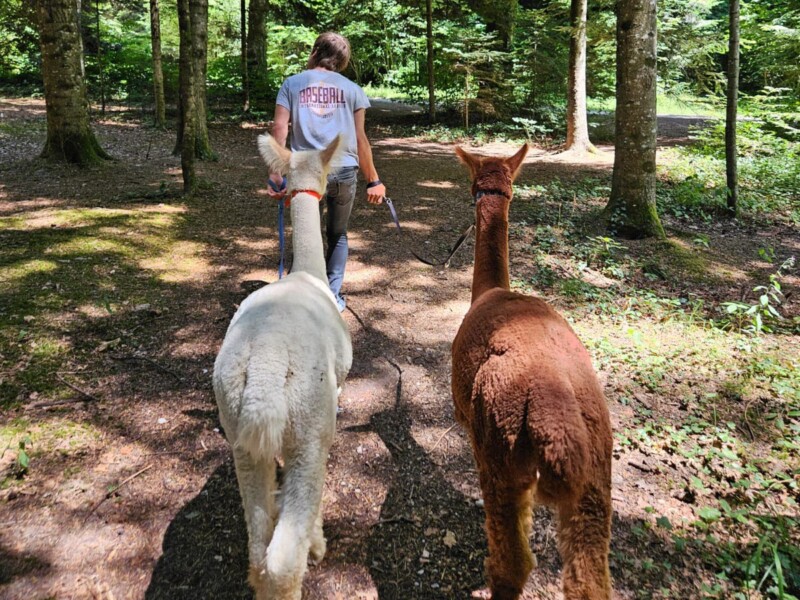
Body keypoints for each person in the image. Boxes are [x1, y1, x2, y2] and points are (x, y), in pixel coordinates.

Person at [266, 32, 387, 313]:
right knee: (338, 234)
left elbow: (280, 129)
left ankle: (302, 295)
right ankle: (331, 297)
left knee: (306, 232)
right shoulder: (352, 89)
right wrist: (374, 180)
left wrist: (276, 172)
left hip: (305, 170)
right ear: (342, 60)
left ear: (315, 51)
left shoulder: (292, 84)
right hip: (343, 170)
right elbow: (360, 138)